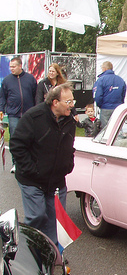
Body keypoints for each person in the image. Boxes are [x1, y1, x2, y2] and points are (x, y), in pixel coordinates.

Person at [9, 82, 76, 247]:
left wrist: (68, 165)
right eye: (68, 102)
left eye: (73, 101)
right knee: (37, 216)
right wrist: (32, 170)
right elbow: (17, 145)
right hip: (32, 179)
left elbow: (69, 147)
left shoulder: (70, 121)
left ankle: (52, 253)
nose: (72, 105)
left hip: (56, 181)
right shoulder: (34, 117)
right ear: (55, 102)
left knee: (55, 220)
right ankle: (28, 251)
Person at [0, 56, 37, 172]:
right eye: (10, 66)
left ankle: (29, 161)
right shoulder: (6, 81)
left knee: (29, 137)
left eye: (13, 66)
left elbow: (35, 96)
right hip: (13, 115)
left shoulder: (30, 79)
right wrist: (2, 109)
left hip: (28, 114)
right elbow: (2, 97)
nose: (11, 68)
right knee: (15, 138)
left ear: (20, 66)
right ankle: (16, 163)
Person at [93, 60, 126, 127]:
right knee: (117, 128)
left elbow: (98, 95)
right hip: (117, 108)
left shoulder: (101, 80)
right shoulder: (120, 80)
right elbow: (123, 94)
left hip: (105, 108)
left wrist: (100, 105)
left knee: (105, 129)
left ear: (104, 68)